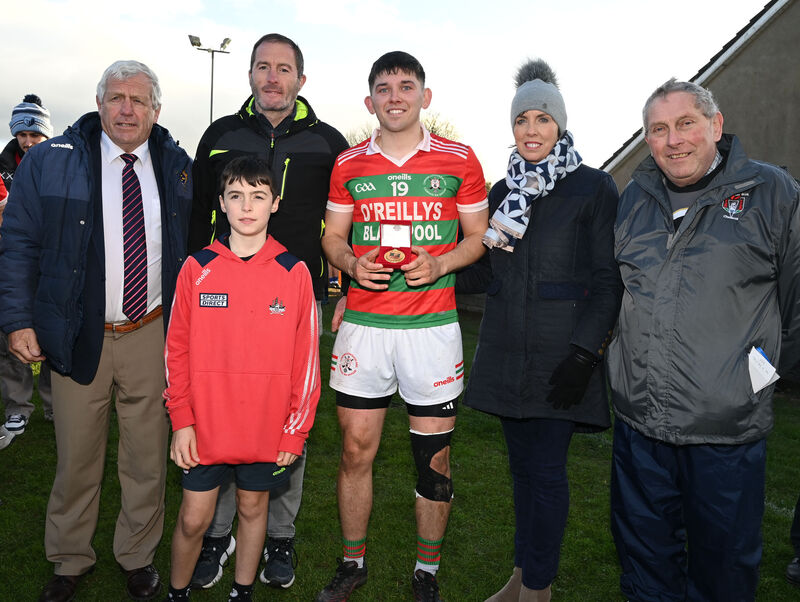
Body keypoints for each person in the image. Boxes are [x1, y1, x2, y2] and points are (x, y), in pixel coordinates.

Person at [0, 60, 192, 602]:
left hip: (151, 332)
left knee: (147, 459)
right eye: (115, 98)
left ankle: (137, 556)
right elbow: (18, 244)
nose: (126, 109)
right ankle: (68, 560)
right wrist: (17, 319)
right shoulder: (50, 162)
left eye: (138, 100)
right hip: (77, 333)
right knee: (76, 457)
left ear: (156, 109)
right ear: (99, 103)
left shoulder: (177, 165)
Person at [607, 78, 800, 601]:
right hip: (639, 427)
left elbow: (796, 300)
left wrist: (760, 378)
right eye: (659, 129)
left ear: (715, 125)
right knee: (645, 564)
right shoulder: (634, 200)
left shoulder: (772, 193)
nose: (674, 140)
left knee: (722, 573)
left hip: (726, 432)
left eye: (686, 123)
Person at [317, 51, 489, 602]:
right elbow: (332, 238)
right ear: (370, 101)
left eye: (406, 86)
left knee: (432, 460)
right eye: (384, 88)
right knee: (354, 451)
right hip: (365, 329)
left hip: (431, 331)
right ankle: (352, 564)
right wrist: (348, 265)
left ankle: (427, 572)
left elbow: (478, 236)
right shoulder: (348, 164)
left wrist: (439, 264)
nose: (395, 96)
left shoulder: (460, 159)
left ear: (425, 97)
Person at [187, 32, 348, 591]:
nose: (272, 77)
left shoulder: (329, 143)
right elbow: (197, 222)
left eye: (284, 68)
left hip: (292, 300)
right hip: (221, 302)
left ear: (301, 79)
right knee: (221, 407)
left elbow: (342, 225)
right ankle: (218, 532)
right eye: (262, 67)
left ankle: (279, 533)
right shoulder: (218, 136)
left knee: (286, 411)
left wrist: (343, 288)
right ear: (250, 75)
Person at [457, 59, 622, 602]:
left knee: (547, 474)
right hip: (507, 353)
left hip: (560, 358)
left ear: (561, 125)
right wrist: (432, 264)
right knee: (522, 474)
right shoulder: (503, 190)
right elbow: (486, 269)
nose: (532, 130)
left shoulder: (594, 187)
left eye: (542, 119)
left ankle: (539, 589)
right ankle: (521, 577)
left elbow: (607, 280)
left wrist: (584, 355)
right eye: (522, 120)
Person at [164, 156, 320, 602]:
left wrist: (295, 432)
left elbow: (307, 362)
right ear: (221, 204)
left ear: (275, 203)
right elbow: (176, 350)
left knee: (254, 510)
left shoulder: (295, 273)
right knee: (194, 518)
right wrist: (182, 419)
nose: (246, 206)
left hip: (266, 428)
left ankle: (242, 592)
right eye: (236, 196)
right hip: (204, 425)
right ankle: (177, 594)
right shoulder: (197, 269)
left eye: (257, 196)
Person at [0, 94, 54, 441]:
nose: (29, 142)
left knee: (54, 334)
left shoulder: (62, 161)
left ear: (46, 135)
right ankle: (17, 407)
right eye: (23, 135)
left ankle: (55, 404)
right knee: (11, 335)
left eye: (35, 135)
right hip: (14, 259)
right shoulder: (2, 166)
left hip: (50, 260)